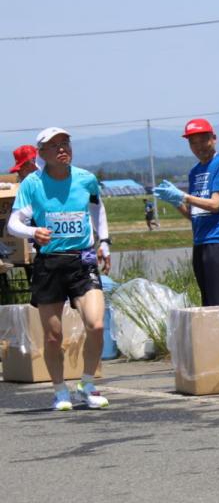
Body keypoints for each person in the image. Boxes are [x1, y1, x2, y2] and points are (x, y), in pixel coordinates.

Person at [4, 127, 111, 411]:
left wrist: (106, 243)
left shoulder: (86, 179)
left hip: (82, 260)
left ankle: (86, 384)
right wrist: (33, 232)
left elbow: (97, 211)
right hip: (50, 263)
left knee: (96, 324)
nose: (62, 148)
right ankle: (59, 390)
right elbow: (13, 223)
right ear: (42, 154)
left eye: (65, 143)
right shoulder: (32, 184)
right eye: (54, 145)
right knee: (53, 337)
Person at [154, 118, 219, 306]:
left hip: (218, 241)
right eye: (193, 142)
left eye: (203, 140)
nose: (199, 147)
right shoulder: (195, 171)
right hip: (200, 242)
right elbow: (194, 215)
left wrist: (184, 196)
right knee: (208, 302)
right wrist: (176, 201)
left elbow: (216, 204)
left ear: (213, 139)